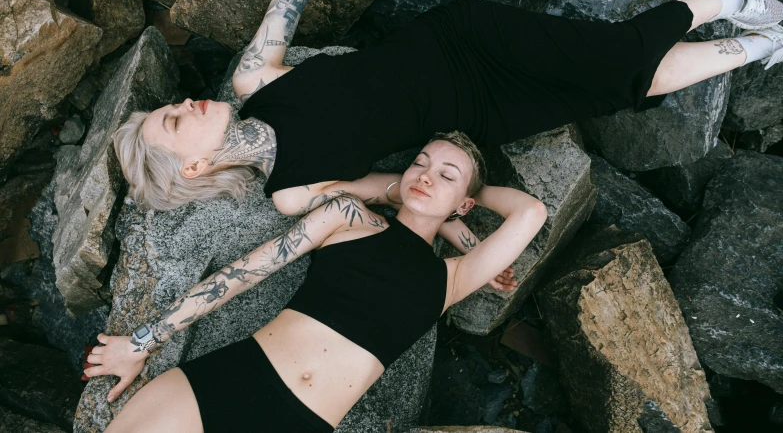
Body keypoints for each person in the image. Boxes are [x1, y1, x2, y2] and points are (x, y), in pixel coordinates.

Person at [114, 0, 783, 217]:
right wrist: (462, 235)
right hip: (478, 116)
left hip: (464, 43)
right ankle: (760, 43)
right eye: (172, 123)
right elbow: (398, 190)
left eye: (167, 107)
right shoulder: (291, 194)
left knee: (617, 57)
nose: (181, 104)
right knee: (619, 90)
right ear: (196, 169)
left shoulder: (252, 78)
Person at [86, 131, 549, 433]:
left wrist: (462, 200)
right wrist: (143, 340)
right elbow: (241, 275)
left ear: (466, 203)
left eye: (446, 175)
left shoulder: (453, 277)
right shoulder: (347, 215)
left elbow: (531, 212)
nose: (426, 176)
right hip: (233, 378)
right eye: (421, 163)